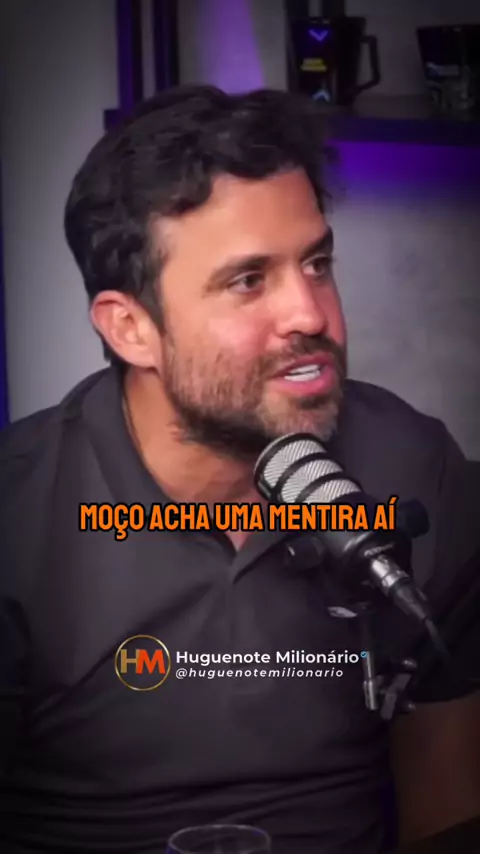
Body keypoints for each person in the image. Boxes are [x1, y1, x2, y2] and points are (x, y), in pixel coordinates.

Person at [0, 85, 479, 854]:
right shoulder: (19, 512)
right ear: (131, 328)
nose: (311, 314)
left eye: (317, 263)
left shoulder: (414, 463)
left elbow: (448, 805)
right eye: (248, 281)